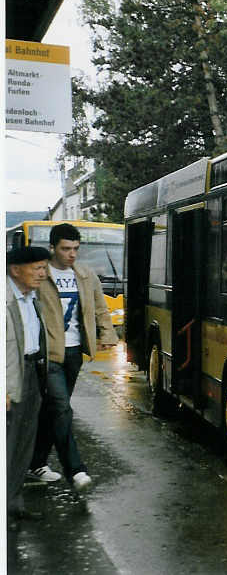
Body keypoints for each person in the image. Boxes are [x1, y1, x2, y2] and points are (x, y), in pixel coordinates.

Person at [27, 223, 118, 491]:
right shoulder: (39, 275)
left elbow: (100, 308)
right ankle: (76, 471)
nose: (72, 254)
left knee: (52, 410)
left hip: (75, 352)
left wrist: (107, 335)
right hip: (49, 353)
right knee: (62, 408)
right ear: (53, 248)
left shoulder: (86, 275)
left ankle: (35, 463)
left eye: (76, 249)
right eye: (66, 249)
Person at [7, 246, 51, 527]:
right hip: (11, 378)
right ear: (15, 270)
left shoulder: (31, 297)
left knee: (24, 444)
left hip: (33, 372)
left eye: (44, 268)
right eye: (37, 268)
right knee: (6, 447)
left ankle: (13, 503)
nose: (43, 273)